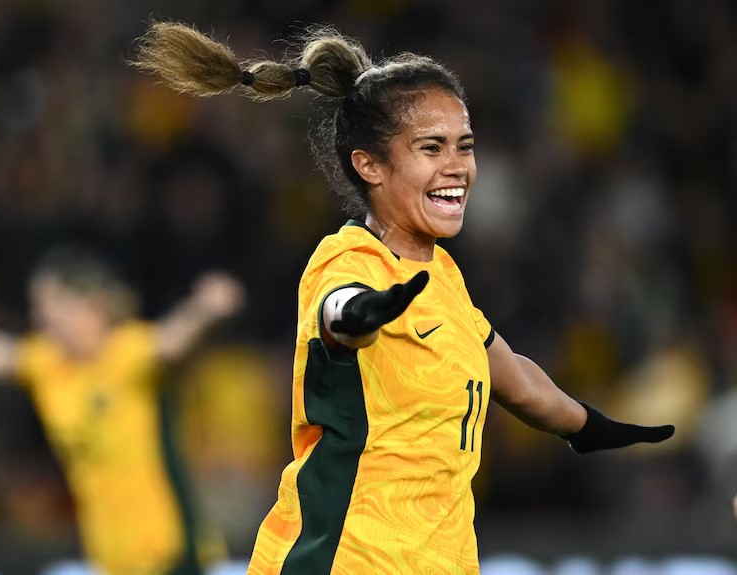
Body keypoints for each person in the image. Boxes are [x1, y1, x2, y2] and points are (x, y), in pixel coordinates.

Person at [131, 23, 675, 574]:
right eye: (431, 148)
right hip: (343, 561)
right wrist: (364, 314)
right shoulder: (347, 260)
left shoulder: (443, 276)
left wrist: (589, 426)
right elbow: (338, 312)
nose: (457, 166)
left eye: (464, 146)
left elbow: (516, 379)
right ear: (370, 165)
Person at [0, 245, 244, 575]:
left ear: (92, 307)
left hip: (173, 554)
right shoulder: (48, 365)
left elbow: (173, 341)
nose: (41, 317)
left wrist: (205, 309)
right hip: (113, 558)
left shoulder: (126, 355)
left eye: (51, 305)